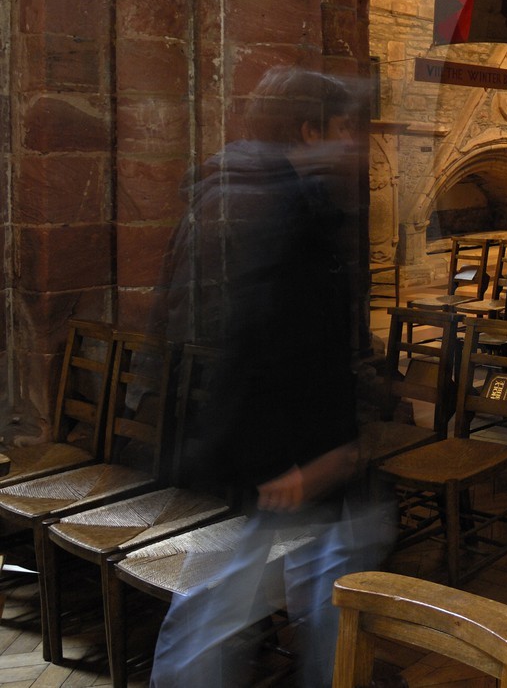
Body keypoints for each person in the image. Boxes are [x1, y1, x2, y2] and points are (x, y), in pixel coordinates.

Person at [151, 65, 392, 687]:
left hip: (264, 454)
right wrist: (303, 461)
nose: (357, 143)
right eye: (345, 127)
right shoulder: (268, 201)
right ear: (309, 131)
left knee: (302, 603)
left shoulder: (258, 189)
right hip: (266, 462)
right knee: (211, 627)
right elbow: (252, 339)